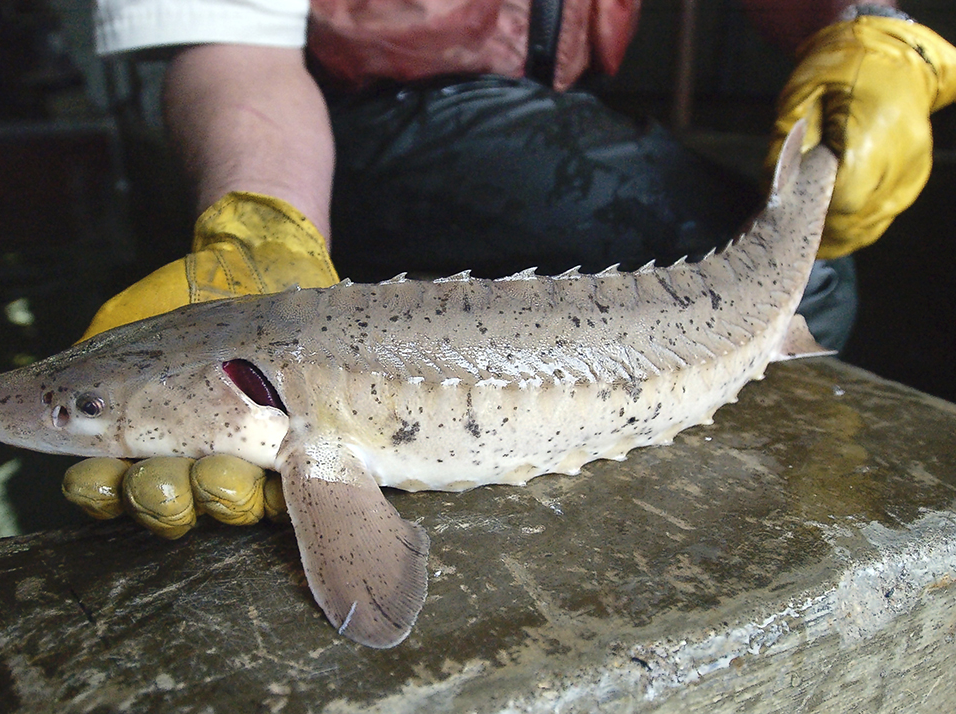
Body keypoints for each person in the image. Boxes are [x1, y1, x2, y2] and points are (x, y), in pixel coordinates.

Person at [61, 0, 956, 537]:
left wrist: (867, 27)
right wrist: (261, 224)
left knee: (820, 271)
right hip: (355, 111)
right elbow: (234, 42)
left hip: (554, 108)